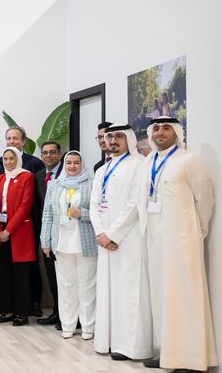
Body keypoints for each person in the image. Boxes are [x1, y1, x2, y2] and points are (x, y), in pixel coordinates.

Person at [137, 116, 217, 371]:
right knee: (162, 296)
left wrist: (196, 232)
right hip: (155, 239)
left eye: (166, 128)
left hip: (182, 238)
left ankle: (189, 358)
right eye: (156, 128)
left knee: (184, 296)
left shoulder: (188, 160)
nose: (160, 132)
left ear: (177, 133)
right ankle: (167, 353)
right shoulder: (149, 161)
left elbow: (204, 199)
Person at [89, 124, 152, 361]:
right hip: (105, 240)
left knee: (129, 291)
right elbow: (95, 204)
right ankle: (109, 341)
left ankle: (131, 347)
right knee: (108, 291)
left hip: (128, 239)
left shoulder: (139, 165)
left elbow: (135, 204)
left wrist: (113, 234)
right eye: (109, 137)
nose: (113, 141)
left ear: (129, 139)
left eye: (118, 136)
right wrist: (100, 233)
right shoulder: (102, 169)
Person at [40, 151, 97, 340]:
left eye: (76, 163)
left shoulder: (91, 183)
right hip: (61, 243)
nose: (72, 166)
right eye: (69, 163)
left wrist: (83, 213)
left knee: (87, 286)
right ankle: (68, 325)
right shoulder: (55, 185)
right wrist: (45, 241)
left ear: (82, 164)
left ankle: (88, 327)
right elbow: (47, 214)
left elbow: (100, 212)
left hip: (85, 243)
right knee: (66, 286)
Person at [0, 147, 36, 326]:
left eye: (11, 158)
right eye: (5, 159)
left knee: (21, 274)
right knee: (3, 273)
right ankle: (7, 310)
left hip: (18, 231)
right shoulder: (0, 178)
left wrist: (8, 230)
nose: (8, 162)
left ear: (18, 159)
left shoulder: (27, 177)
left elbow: (25, 206)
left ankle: (22, 312)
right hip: (0, 230)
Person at [33, 141, 63, 328]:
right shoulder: (38, 176)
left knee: (66, 277)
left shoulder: (67, 172)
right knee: (51, 274)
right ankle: (57, 312)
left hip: (65, 231)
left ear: (60, 154)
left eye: (52, 152)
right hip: (47, 233)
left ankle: (70, 316)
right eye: (45, 153)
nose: (48, 156)